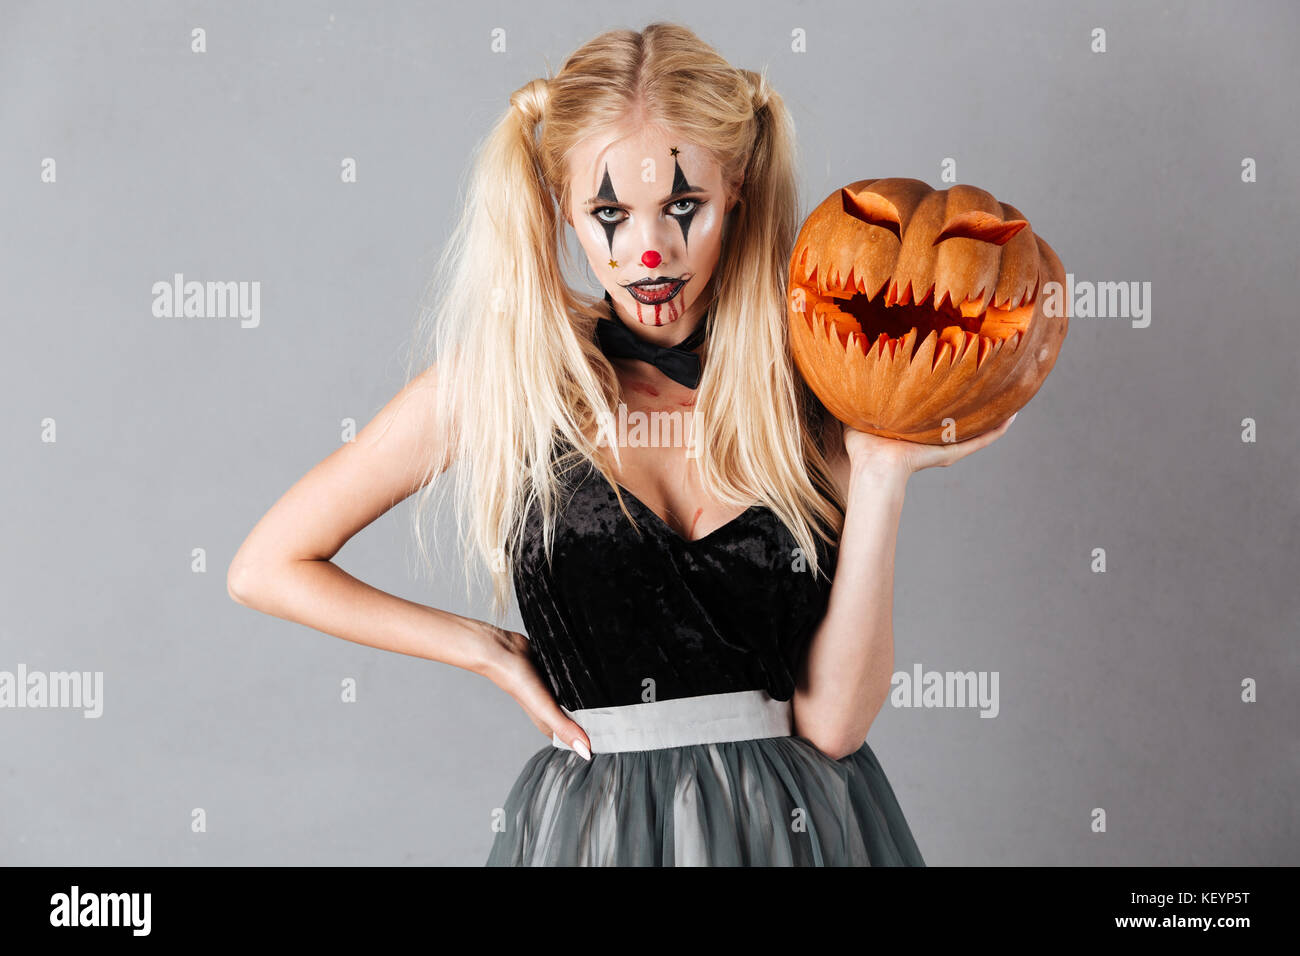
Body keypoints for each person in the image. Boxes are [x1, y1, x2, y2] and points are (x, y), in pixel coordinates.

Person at [227, 22, 1014, 866]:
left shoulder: (816, 389)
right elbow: (266, 566)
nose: (650, 251)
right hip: (597, 836)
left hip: (797, 831)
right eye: (609, 212)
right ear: (562, 206)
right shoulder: (509, 380)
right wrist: (483, 649)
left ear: (738, 189)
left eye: (685, 206)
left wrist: (884, 473)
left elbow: (834, 724)